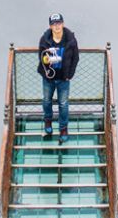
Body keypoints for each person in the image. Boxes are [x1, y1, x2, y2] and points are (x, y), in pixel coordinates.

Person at [36, 12, 79, 143]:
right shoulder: (44, 39)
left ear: (63, 24)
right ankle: (48, 121)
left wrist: (70, 75)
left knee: (64, 104)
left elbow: (76, 58)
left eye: (59, 23)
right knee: (47, 101)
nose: (57, 26)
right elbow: (41, 57)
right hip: (48, 77)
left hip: (64, 78)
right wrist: (47, 61)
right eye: (54, 24)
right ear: (50, 26)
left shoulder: (71, 39)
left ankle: (63, 128)